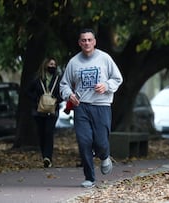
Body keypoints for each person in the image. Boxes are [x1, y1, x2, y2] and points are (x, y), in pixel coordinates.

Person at [59, 28, 123, 188]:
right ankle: (89, 177)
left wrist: (106, 85)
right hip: (82, 107)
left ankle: (104, 155)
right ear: (79, 43)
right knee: (84, 141)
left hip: (101, 106)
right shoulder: (74, 62)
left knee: (101, 142)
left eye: (89, 40)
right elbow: (64, 84)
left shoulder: (104, 58)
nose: (86, 43)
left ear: (94, 42)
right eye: (83, 40)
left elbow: (118, 78)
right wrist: (69, 95)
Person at [27, 57, 62, 168]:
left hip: (53, 111)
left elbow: (63, 93)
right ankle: (44, 156)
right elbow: (27, 91)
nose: (52, 66)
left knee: (48, 132)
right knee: (41, 133)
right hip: (39, 111)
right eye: (50, 64)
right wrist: (37, 99)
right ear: (45, 65)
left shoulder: (58, 79)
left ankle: (48, 157)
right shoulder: (37, 79)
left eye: (54, 65)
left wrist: (57, 100)